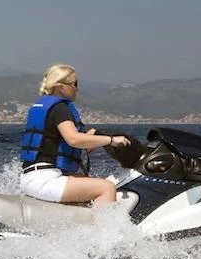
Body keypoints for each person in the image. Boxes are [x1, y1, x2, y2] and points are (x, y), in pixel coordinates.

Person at [19, 64, 130, 206]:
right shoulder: (60, 108)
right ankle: (103, 228)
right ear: (60, 86)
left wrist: (91, 139)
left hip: (32, 176)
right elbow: (74, 139)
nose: (77, 88)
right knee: (106, 187)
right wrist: (111, 140)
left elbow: (56, 143)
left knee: (88, 180)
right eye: (74, 84)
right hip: (44, 179)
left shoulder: (43, 105)